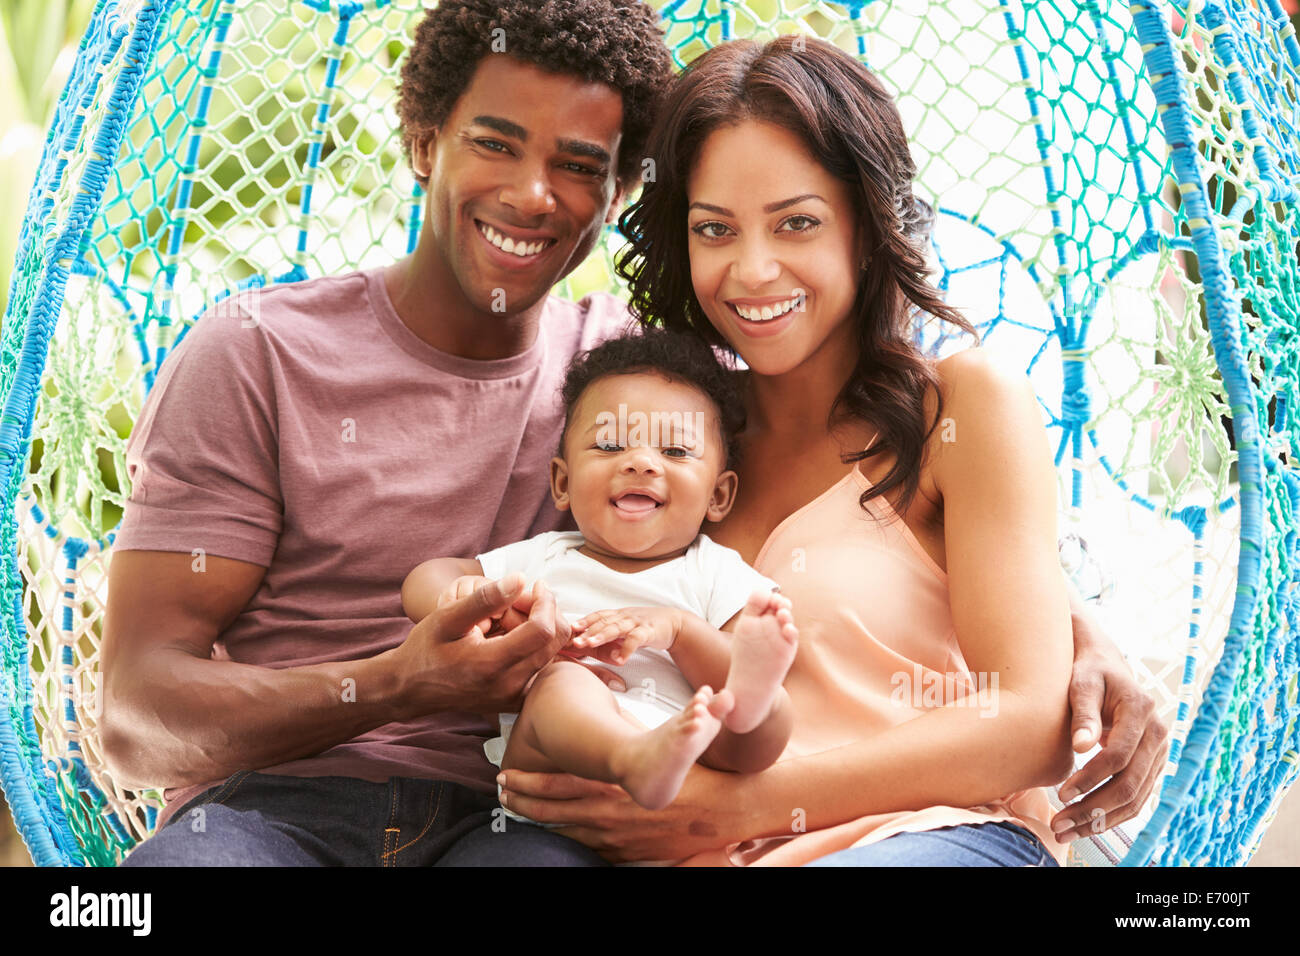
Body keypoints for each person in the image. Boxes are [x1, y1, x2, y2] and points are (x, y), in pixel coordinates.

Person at [102, 1, 1164, 867]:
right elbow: (138, 715)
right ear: (423, 139)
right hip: (327, 817)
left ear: (613, 195)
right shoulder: (271, 351)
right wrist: (401, 679)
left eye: (576, 162)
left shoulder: (673, 387)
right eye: (715, 230)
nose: (531, 193)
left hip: (650, 828)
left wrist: (1075, 629)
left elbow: (904, 532)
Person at [493, 34, 1169, 866]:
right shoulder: (674, 439)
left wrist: (737, 808)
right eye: (715, 229)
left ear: (868, 223)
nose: (753, 271)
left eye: (798, 222)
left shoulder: (963, 406)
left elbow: (1028, 722)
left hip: (930, 833)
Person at [401, 330, 799, 817]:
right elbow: (425, 577)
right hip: (554, 768)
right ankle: (631, 757)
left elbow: (730, 663)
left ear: (718, 496)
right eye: (610, 445)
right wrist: (470, 596)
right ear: (562, 483)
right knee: (564, 682)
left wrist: (678, 630)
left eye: (675, 452)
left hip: (691, 748)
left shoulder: (715, 570)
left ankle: (741, 707)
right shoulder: (548, 558)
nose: (640, 463)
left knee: (767, 716)